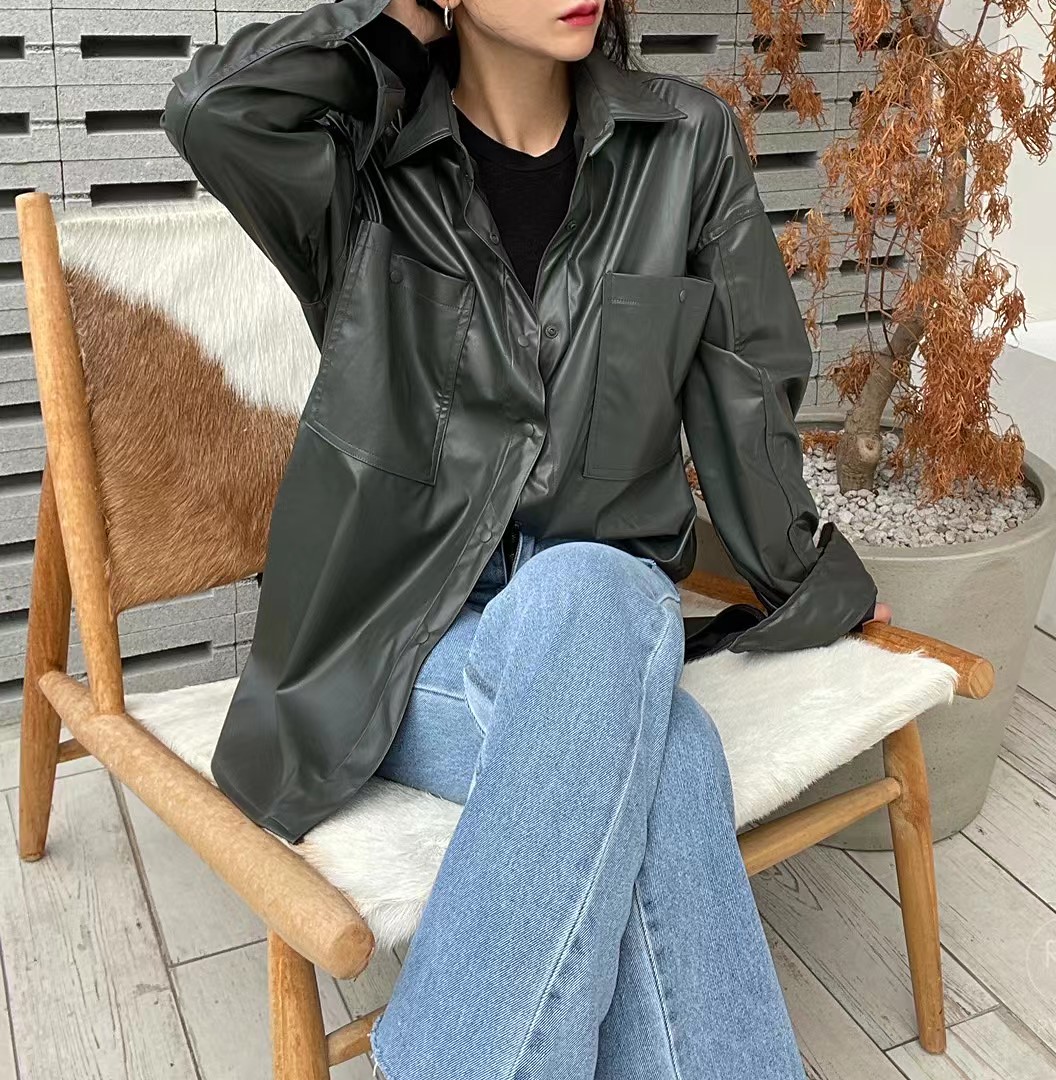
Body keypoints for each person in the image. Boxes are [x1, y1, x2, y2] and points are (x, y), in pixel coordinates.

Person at [164, 0, 889, 1076]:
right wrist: (394, 27)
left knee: (593, 597)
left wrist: (805, 574)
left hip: (594, 622)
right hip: (394, 646)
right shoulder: (360, 167)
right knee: (666, 745)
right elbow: (211, 110)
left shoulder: (681, 143)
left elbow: (745, 390)